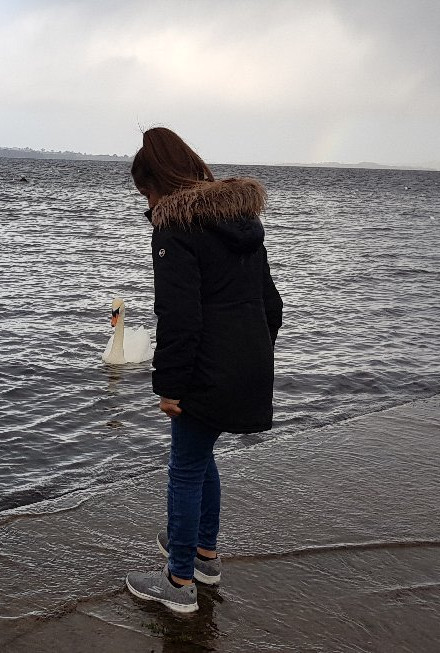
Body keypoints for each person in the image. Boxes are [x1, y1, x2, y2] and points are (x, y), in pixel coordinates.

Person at [124, 127, 283, 613]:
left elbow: (178, 316)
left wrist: (169, 385)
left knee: (186, 468)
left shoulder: (175, 228)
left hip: (203, 369)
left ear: (159, 183)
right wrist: (252, 354)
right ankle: (204, 557)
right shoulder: (240, 222)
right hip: (248, 364)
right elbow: (271, 304)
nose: (146, 205)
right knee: (200, 457)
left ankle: (178, 582)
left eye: (145, 192)